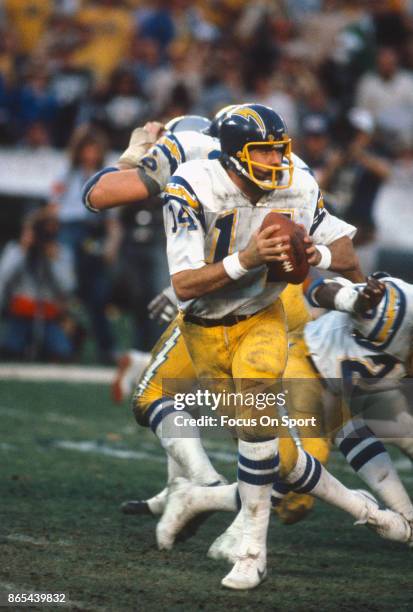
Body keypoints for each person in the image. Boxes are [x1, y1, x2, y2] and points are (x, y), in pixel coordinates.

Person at [160, 103, 361, 589]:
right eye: (263, 151)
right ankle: (365, 508)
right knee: (267, 450)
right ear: (232, 156)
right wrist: (246, 259)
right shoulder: (193, 186)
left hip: (262, 319)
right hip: (203, 331)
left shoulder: (297, 183)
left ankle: (252, 551)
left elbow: (347, 253)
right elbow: (185, 285)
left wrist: (321, 254)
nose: (275, 160)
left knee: (258, 401)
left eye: (278, 148)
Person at [0, 208, 75, 361]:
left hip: (49, 316)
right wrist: (23, 250)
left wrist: (55, 261)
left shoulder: (62, 252)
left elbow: (67, 287)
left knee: (63, 352)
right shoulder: (15, 249)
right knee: (10, 350)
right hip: (21, 313)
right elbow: (4, 278)